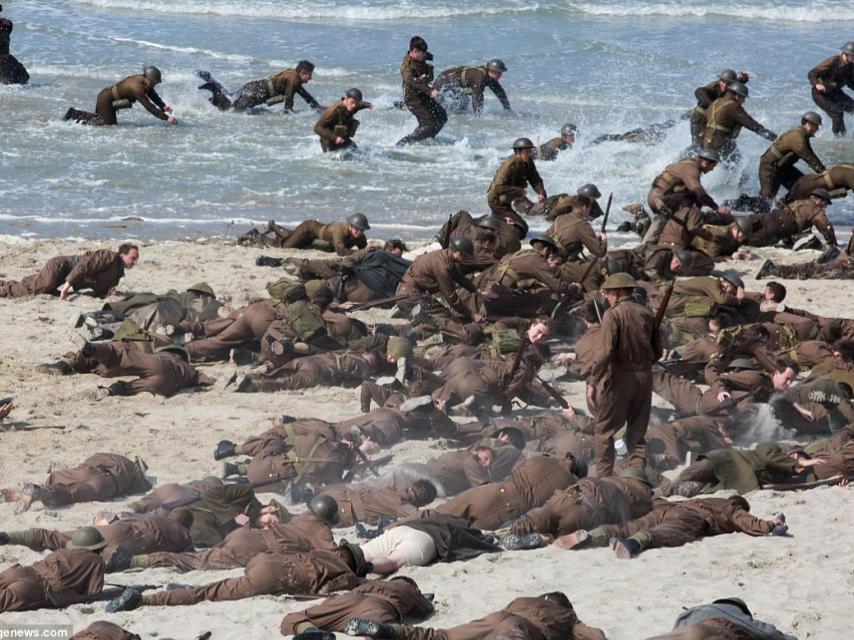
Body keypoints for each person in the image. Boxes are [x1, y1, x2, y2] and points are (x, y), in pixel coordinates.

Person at [106, 541, 370, 611]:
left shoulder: (323, 552)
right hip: (272, 578)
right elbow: (327, 593)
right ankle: (144, 600)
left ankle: (180, 588)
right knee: (207, 594)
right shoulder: (346, 574)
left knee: (220, 587)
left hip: (264, 559)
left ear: (340, 551)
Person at [589, 272, 662, 477]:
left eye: (609, 293)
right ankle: (636, 480)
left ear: (621, 292)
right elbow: (658, 352)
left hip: (621, 377)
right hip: (644, 378)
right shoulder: (646, 313)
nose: (606, 297)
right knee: (637, 435)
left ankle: (604, 481)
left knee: (605, 432)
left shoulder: (612, 314)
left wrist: (593, 381)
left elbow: (605, 353)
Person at [568, 495, 787, 559]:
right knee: (666, 533)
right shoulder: (731, 507)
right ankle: (633, 544)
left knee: (629, 526)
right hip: (690, 516)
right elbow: (747, 522)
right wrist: (770, 525)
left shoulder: (708, 498)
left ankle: (591, 537)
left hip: (670, 507)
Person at [344, 592, 607, 640]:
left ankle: (391, 631)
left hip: (497, 618)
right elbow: (596, 636)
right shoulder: (567, 615)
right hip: (523, 628)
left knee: (439, 636)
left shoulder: (524, 599)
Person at [281, 577, 435, 637]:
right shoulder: (408, 588)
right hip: (377, 605)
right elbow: (426, 608)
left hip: (347, 599)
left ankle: (311, 631)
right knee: (379, 634)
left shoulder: (373, 582)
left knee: (294, 618)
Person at [1, 453, 151, 513]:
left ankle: (28, 492)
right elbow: (140, 488)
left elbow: (91, 459)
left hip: (87, 469)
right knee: (71, 493)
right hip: (106, 482)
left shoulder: (111, 456)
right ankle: (40, 493)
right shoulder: (135, 473)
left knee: (56, 478)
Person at [0, 528, 108, 612]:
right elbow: (93, 594)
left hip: (22, 571)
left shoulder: (62, 550)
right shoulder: (96, 560)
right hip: (34, 587)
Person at [645, 149, 729, 245]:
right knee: (693, 197)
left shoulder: (687, 163)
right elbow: (699, 192)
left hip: (658, 197)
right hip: (660, 200)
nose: (712, 169)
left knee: (690, 198)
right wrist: (716, 208)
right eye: (713, 166)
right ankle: (690, 227)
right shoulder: (691, 169)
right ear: (705, 163)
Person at [0, 243, 138, 299]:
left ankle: (5, 284)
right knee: (35, 289)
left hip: (65, 275)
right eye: (133, 258)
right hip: (61, 266)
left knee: (37, 286)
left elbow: (96, 287)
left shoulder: (117, 276)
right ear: (122, 255)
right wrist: (66, 287)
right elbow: (84, 265)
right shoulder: (108, 256)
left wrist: (107, 293)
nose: (135, 262)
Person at [64, 66, 176, 126]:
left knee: (102, 120)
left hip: (109, 98)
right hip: (106, 100)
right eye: (154, 82)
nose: (155, 84)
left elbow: (151, 93)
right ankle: (74, 114)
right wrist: (167, 118)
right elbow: (149, 107)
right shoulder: (136, 88)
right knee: (106, 125)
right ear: (147, 78)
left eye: (156, 82)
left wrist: (163, 106)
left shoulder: (144, 80)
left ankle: (75, 114)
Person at [646, 597, 797, 640]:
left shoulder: (693, 611)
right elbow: (770, 634)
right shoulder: (734, 614)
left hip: (694, 629)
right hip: (717, 631)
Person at [196, 61, 321, 112]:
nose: (310, 78)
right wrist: (288, 114)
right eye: (310, 75)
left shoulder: (292, 75)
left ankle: (210, 80)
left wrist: (315, 105)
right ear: (302, 73)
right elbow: (289, 98)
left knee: (230, 96)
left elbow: (303, 94)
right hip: (256, 93)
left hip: (254, 87)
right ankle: (213, 88)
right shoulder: (294, 80)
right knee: (229, 109)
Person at [758, 111, 825, 205]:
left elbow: (812, 156)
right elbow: (809, 158)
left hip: (783, 168)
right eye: (816, 126)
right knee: (766, 201)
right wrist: (824, 174)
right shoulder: (797, 137)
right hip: (770, 167)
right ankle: (742, 204)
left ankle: (782, 205)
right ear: (808, 124)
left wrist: (824, 172)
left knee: (804, 187)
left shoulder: (803, 135)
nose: (817, 129)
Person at [702, 81, 776, 162]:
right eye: (743, 98)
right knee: (735, 166)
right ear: (737, 96)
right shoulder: (733, 106)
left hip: (706, 140)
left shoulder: (716, 101)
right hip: (720, 143)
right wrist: (774, 138)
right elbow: (753, 125)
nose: (744, 101)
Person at [746, 188, 837, 248]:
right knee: (748, 241)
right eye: (825, 203)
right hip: (777, 227)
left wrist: (788, 240)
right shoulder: (816, 209)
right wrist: (833, 244)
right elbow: (825, 226)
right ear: (819, 200)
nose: (825, 206)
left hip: (770, 216)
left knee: (743, 226)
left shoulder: (799, 203)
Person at [397, 36, 447, 146]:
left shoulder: (420, 56)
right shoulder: (406, 67)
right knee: (428, 124)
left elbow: (429, 55)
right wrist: (430, 91)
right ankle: (404, 143)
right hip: (413, 100)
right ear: (415, 51)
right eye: (423, 53)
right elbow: (411, 82)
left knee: (442, 116)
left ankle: (427, 138)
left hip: (423, 96)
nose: (425, 55)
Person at [487, 137, 546, 229]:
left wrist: (541, 192)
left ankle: (498, 219)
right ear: (518, 151)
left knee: (520, 226)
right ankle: (497, 218)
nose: (529, 154)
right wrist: (520, 191)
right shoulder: (509, 166)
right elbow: (498, 187)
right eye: (527, 152)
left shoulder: (528, 162)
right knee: (522, 227)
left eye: (530, 151)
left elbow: (535, 179)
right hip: (496, 202)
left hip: (507, 200)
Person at [689, 69, 748, 147]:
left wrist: (743, 80)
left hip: (711, 120)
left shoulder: (730, 87)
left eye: (728, 84)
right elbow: (698, 91)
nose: (724, 85)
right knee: (698, 145)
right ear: (720, 80)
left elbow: (736, 84)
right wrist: (713, 104)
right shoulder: (714, 86)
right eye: (722, 82)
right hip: (699, 119)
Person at [432, 58, 513, 114]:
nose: (501, 75)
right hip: (447, 79)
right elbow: (477, 97)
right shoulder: (480, 77)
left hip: (458, 85)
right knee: (446, 104)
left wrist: (508, 109)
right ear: (492, 70)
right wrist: (478, 117)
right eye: (499, 73)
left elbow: (499, 92)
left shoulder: (490, 78)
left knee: (462, 107)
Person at [808, 41, 854, 136]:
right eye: (853, 56)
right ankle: (839, 138)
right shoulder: (833, 61)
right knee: (837, 113)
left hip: (835, 92)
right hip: (820, 94)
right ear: (846, 54)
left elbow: (851, 83)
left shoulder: (851, 66)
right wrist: (816, 84)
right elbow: (812, 73)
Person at [0, 12, 28, 85]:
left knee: (24, 76)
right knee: (8, 83)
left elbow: (9, 25)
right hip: (3, 61)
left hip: (6, 58)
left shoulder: (5, 26)